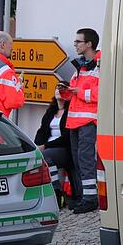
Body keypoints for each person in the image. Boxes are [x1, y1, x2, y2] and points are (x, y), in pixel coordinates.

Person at [57, 28, 100, 214]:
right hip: (75, 122)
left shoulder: (100, 65)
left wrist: (78, 92)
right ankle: (84, 196)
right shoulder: (81, 66)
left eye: (78, 41)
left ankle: (91, 199)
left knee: (85, 160)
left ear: (89, 44)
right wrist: (65, 92)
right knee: (78, 161)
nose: (75, 44)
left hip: (88, 122)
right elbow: (74, 93)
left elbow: (102, 93)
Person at [34, 89, 75, 208]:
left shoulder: (69, 111)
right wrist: (36, 145)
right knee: (38, 156)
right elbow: (42, 131)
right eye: (57, 88)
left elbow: (66, 138)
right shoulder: (51, 111)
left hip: (63, 149)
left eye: (62, 88)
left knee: (45, 156)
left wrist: (45, 146)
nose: (59, 90)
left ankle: (57, 191)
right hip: (48, 148)